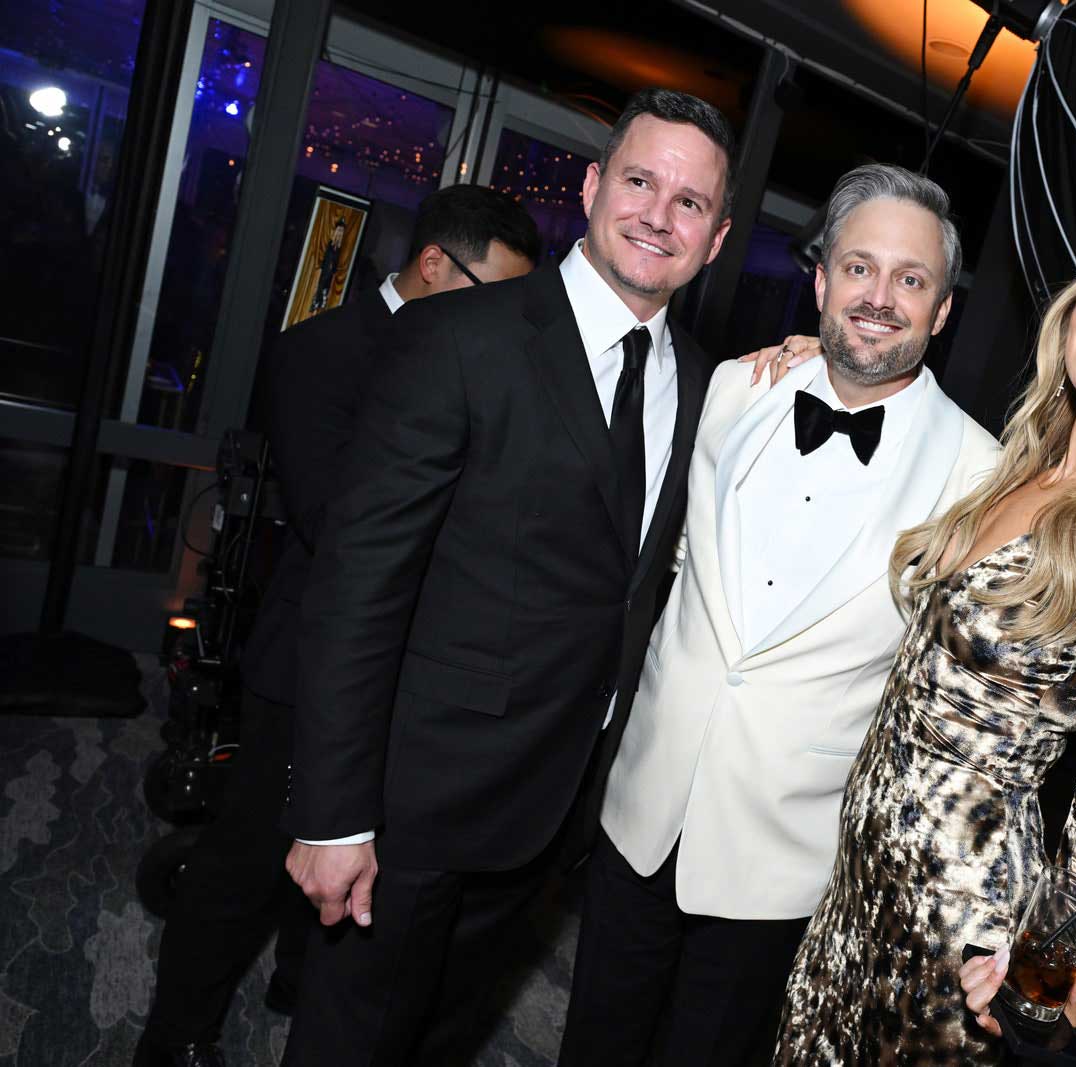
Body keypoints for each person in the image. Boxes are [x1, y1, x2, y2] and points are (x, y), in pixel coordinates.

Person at [277, 88, 735, 1066]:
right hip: (407, 807)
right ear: (591, 184)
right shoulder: (460, 337)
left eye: (689, 202)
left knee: (443, 1039)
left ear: (718, 236)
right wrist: (333, 811)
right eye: (640, 180)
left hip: (550, 813)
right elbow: (359, 585)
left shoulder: (709, 384)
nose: (659, 213)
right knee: (350, 1042)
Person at [772, 210, 1076, 1064]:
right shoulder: (1017, 465)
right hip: (856, 879)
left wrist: (1040, 973)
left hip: (959, 919)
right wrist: (815, 354)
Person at [559, 163, 999, 1067]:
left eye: (910, 279)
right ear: (821, 279)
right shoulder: (733, 387)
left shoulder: (983, 477)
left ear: (943, 309)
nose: (879, 298)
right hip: (641, 808)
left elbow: (986, 691)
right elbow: (672, 567)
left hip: (784, 857)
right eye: (858, 267)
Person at [133, 184, 540, 1067]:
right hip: (312, 662)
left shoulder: (479, 357)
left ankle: (298, 978)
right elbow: (336, 514)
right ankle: (174, 1039)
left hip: (414, 674)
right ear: (434, 264)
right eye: (495, 292)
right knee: (243, 865)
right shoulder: (322, 350)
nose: (508, 318)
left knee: (365, 865)